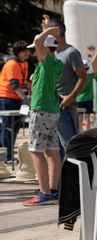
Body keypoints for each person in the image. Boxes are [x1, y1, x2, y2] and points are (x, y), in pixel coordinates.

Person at [23, 28, 63, 206]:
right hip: (52, 111)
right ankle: (53, 191)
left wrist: (51, 29)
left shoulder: (47, 62)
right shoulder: (56, 63)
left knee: (36, 151)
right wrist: (46, 29)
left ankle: (44, 192)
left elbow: (39, 42)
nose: (34, 52)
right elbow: (41, 42)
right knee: (52, 151)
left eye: (36, 50)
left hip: (41, 110)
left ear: (45, 50)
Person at [44, 16, 87, 157]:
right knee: (55, 148)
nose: (46, 33)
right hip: (51, 105)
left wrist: (70, 97)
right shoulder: (53, 52)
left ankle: (73, 177)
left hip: (65, 107)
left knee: (69, 145)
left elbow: (83, 78)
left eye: (49, 30)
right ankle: (61, 178)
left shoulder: (71, 53)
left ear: (57, 31)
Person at [0, 40, 30, 163]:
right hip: (7, 98)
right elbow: (14, 85)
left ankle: (8, 155)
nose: (28, 53)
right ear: (19, 52)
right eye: (25, 51)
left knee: (16, 127)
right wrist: (26, 99)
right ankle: (7, 156)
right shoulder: (11, 64)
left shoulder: (24, 63)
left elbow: (23, 82)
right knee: (8, 128)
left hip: (18, 98)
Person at [75, 59, 95, 131]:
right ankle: (87, 136)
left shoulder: (77, 77)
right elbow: (94, 68)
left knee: (80, 119)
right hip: (88, 101)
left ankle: (80, 135)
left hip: (79, 101)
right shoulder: (89, 76)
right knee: (87, 118)